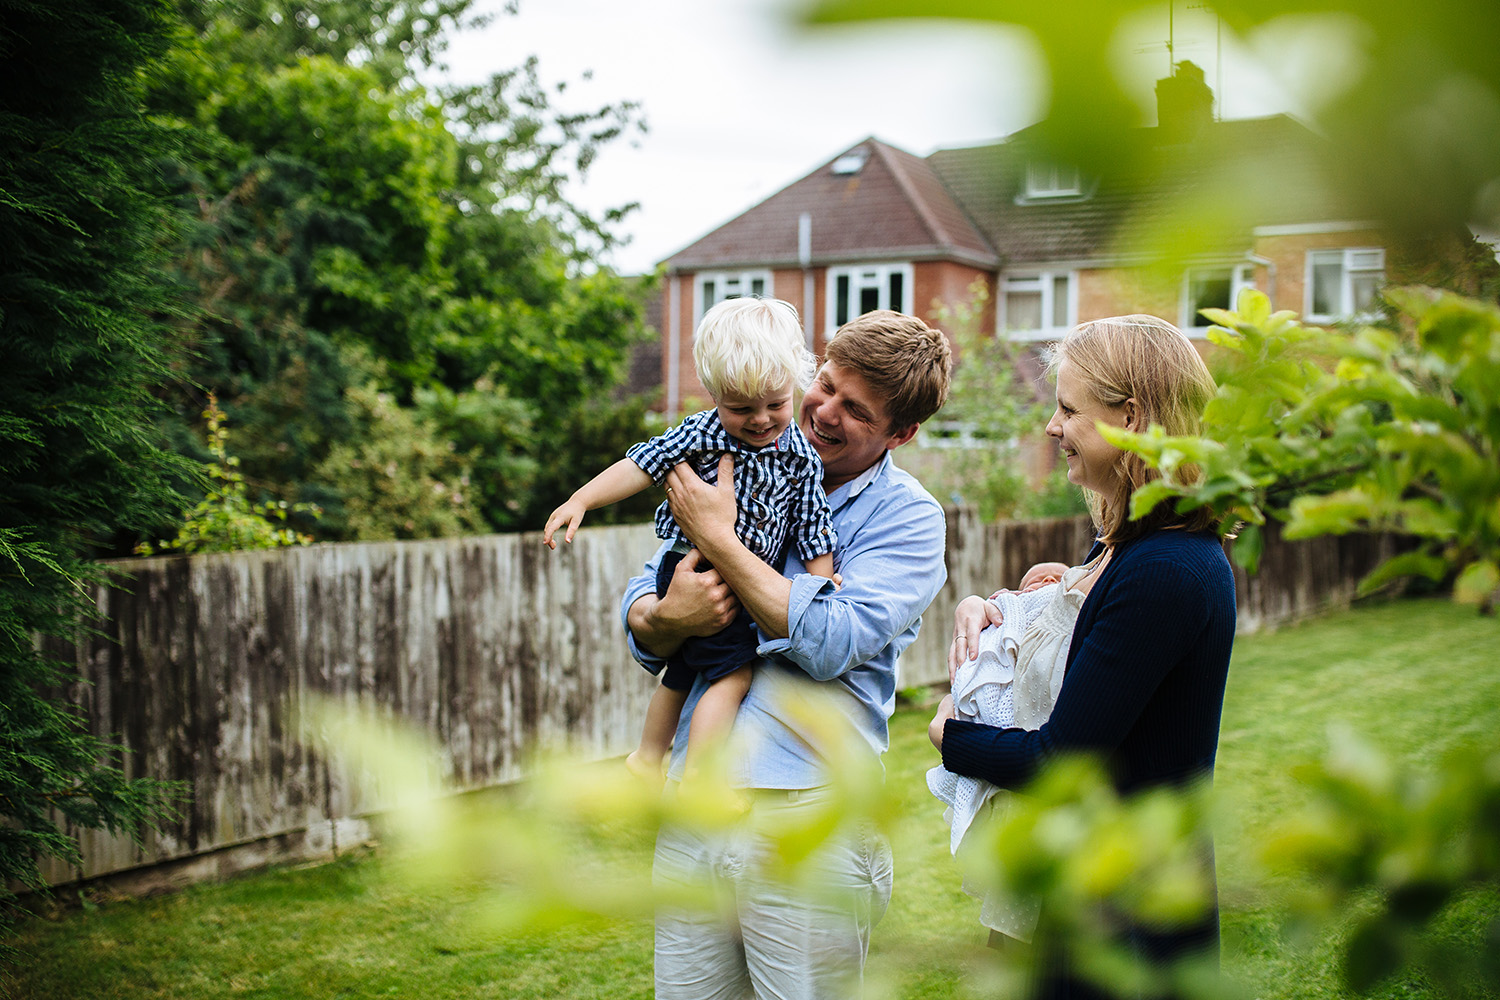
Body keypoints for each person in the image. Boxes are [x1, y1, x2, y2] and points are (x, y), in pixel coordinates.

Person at [620, 309, 953, 1000]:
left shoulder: (908, 519)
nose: (822, 411)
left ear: (902, 432)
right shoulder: (735, 451)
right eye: (825, 384)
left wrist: (720, 540)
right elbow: (647, 614)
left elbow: (829, 642)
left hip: (810, 820)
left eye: (854, 409)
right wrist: (666, 617)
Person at [929, 314, 1236, 999]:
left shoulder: (1167, 570)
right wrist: (997, 607)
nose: (1051, 427)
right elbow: (1075, 622)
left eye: (1068, 409)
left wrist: (949, 735)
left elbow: (1059, 759)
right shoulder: (1120, 549)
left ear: (1131, 418)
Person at [544, 297, 837, 787]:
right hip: (693, 569)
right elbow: (642, 463)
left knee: (682, 670)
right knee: (733, 676)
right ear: (714, 394)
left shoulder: (801, 455)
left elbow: (812, 524)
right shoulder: (699, 433)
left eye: (776, 404)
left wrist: (821, 582)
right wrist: (582, 500)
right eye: (741, 408)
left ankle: (646, 756)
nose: (761, 420)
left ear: (794, 385)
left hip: (734, 578)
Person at [925, 560, 1080, 944]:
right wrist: (985, 605)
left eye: (1047, 580)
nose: (1036, 586)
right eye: (1026, 584)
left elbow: (1046, 755)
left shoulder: (1074, 610)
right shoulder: (1008, 610)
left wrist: (948, 735)